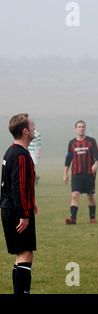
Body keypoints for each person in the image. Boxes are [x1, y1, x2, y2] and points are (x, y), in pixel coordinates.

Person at [1, 113, 38, 294]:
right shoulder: (21, 154)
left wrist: (31, 202)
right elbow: (18, 186)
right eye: (32, 126)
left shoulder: (10, 150)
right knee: (25, 254)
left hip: (10, 208)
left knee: (20, 256)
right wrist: (24, 213)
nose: (34, 129)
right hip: (17, 211)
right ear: (25, 131)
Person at [63, 120, 98, 224]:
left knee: (90, 196)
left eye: (83, 127)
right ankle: (73, 219)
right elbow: (68, 158)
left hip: (89, 173)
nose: (81, 129)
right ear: (75, 129)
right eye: (79, 127)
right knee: (75, 195)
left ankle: (92, 218)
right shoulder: (72, 143)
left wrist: (96, 164)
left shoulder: (91, 141)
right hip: (76, 173)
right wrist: (65, 174)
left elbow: (97, 154)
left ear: (85, 128)